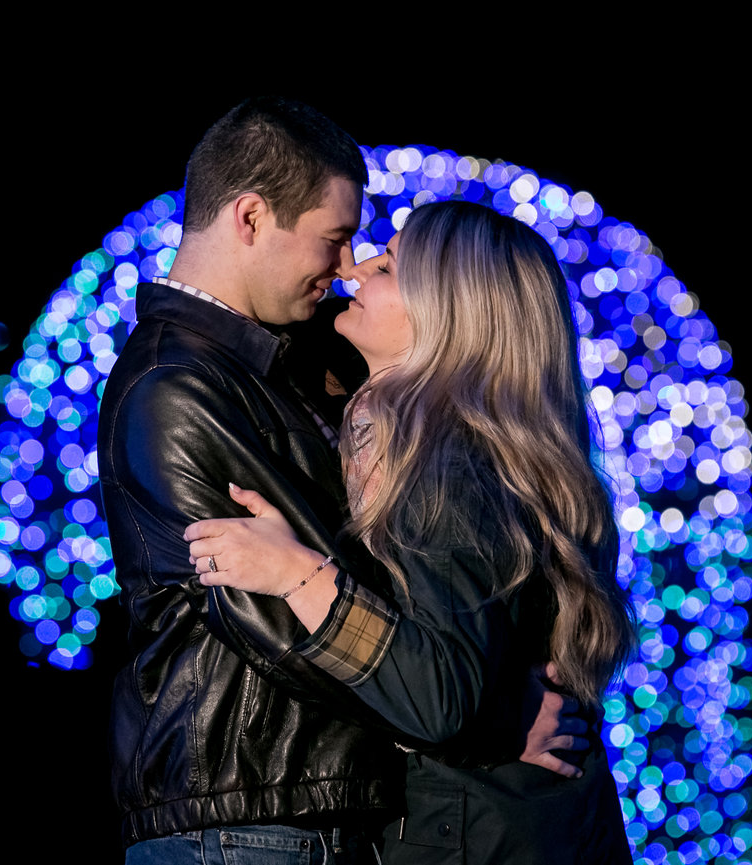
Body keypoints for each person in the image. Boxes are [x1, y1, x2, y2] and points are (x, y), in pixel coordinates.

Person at [97, 98, 587, 865]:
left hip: (308, 817)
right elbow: (283, 623)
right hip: (250, 820)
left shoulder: (306, 371)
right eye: (336, 239)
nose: (348, 266)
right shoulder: (179, 388)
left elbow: (399, 602)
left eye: (377, 259)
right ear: (251, 218)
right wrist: (488, 715)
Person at [185, 200, 637, 863]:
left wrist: (297, 574)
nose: (359, 270)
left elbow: (438, 696)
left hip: (473, 834)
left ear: (448, 309)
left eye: (391, 264)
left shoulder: (441, 466)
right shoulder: (478, 450)